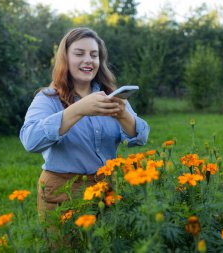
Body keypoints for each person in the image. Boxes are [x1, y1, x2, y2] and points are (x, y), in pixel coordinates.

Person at [19, 27, 149, 216]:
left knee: (103, 245)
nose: (88, 60)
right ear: (65, 58)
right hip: (63, 191)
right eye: (79, 53)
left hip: (106, 189)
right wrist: (78, 109)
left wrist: (123, 114)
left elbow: (141, 137)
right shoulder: (47, 98)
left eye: (94, 55)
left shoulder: (109, 96)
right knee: (66, 247)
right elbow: (30, 141)